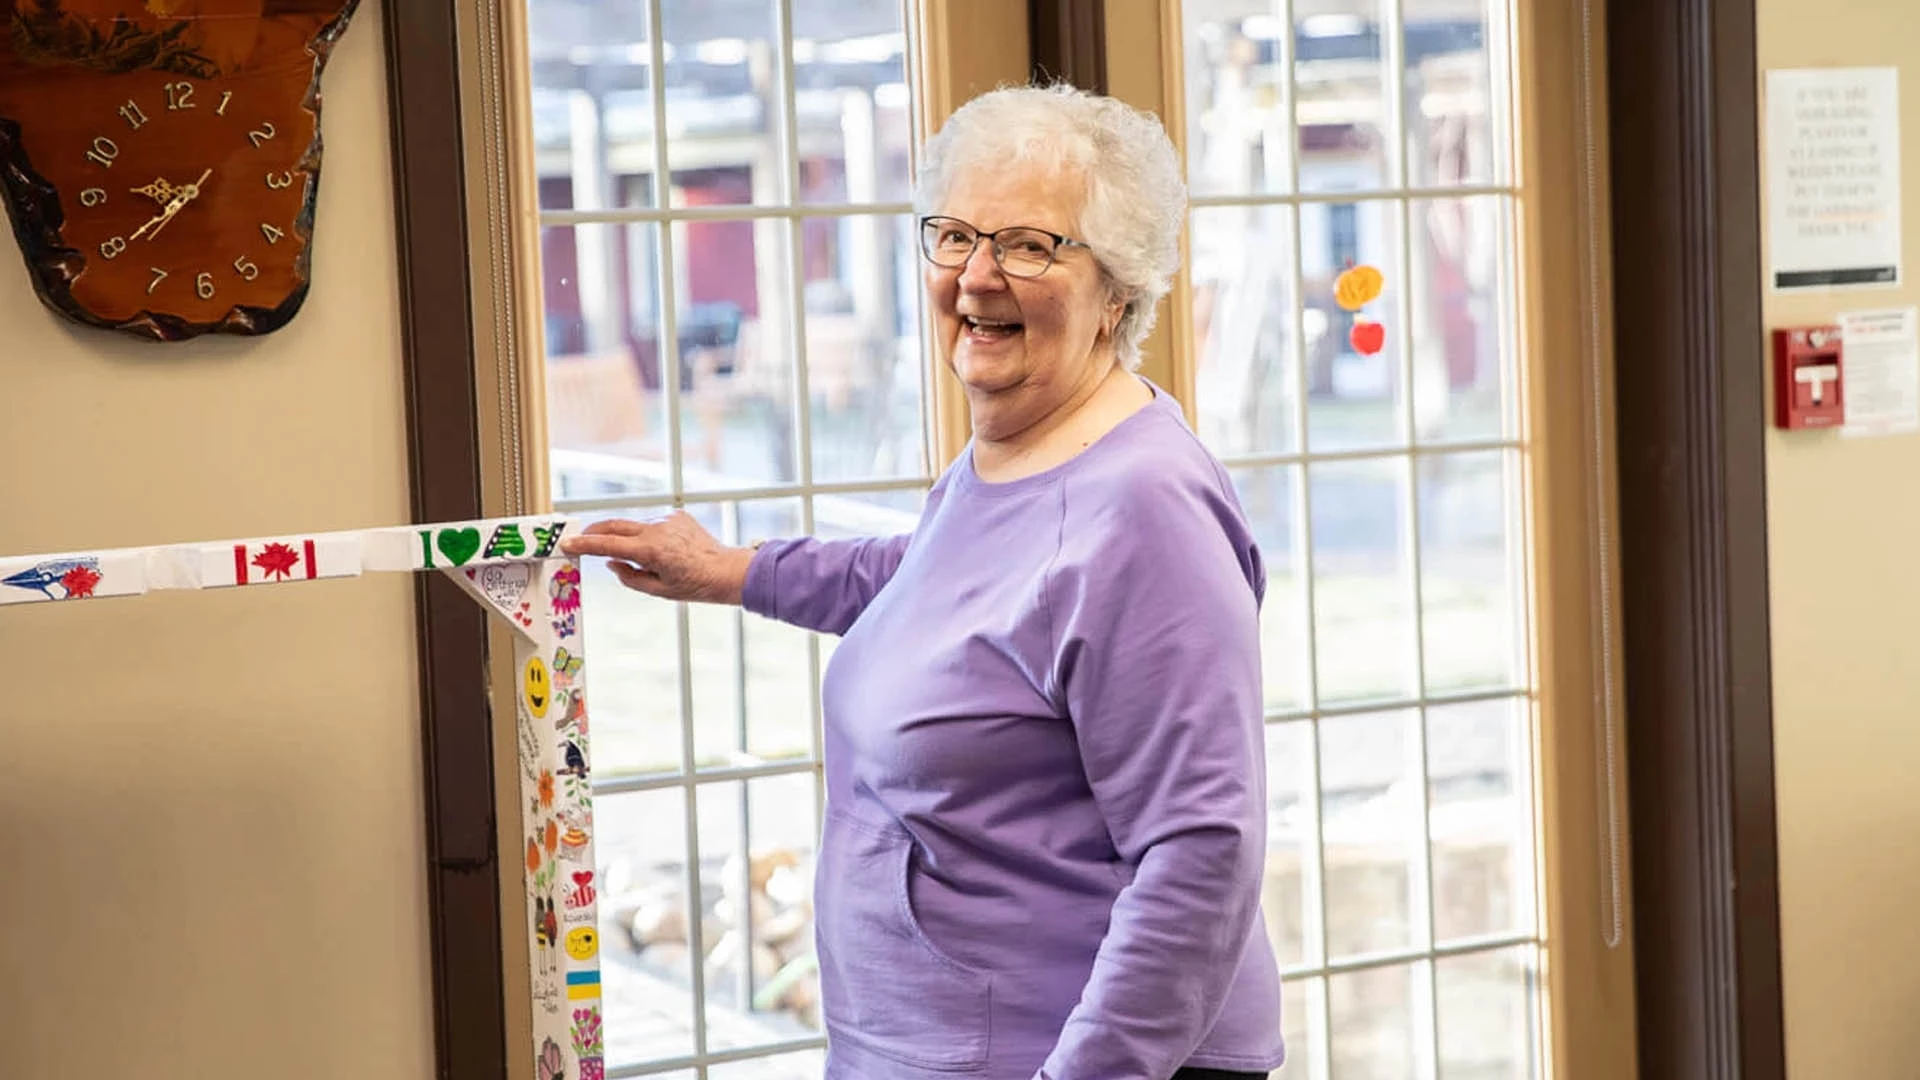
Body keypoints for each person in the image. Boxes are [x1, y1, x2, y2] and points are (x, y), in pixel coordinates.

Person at [562, 83, 1285, 1080]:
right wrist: (735, 570)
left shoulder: (1144, 510)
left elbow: (1202, 856)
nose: (977, 275)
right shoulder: (1019, 451)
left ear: (1119, 288)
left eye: (1030, 245)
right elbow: (948, 591)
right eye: (954, 234)